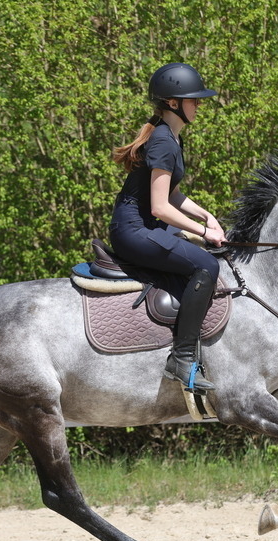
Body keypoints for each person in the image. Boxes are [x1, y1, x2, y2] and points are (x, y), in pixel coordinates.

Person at [108, 62, 226, 393]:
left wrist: (206, 216)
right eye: (194, 99)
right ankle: (182, 358)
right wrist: (203, 233)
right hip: (134, 230)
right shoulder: (163, 141)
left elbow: (172, 194)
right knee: (206, 264)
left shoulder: (170, 137)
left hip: (145, 226)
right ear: (174, 103)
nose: (199, 104)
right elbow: (160, 207)